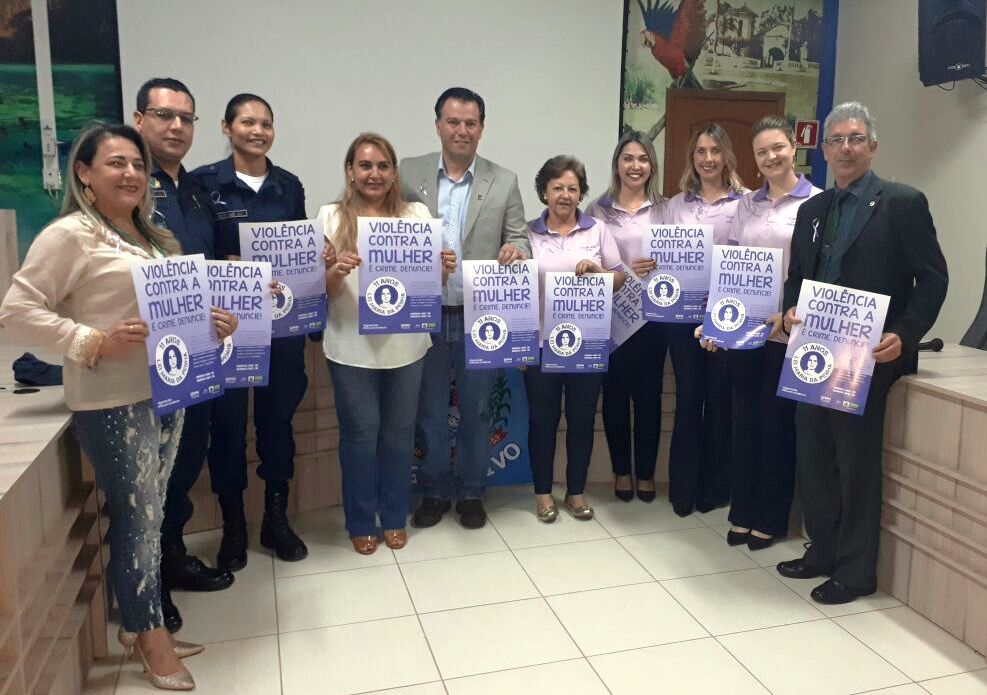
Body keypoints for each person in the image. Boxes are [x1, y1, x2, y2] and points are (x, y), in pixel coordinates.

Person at [0, 124, 238, 690]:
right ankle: (148, 637)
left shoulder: (155, 237)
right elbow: (16, 312)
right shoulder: (70, 236)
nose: (130, 173)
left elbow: (174, 314)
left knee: (153, 514)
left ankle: (142, 621)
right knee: (137, 517)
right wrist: (93, 340)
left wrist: (212, 322)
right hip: (113, 401)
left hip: (168, 388)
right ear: (84, 173)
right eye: (115, 163)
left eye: (137, 164)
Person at [777, 102, 947, 603]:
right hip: (813, 353)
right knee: (813, 455)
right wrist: (789, 310)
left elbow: (932, 280)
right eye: (835, 140)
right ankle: (822, 552)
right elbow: (797, 279)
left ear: (872, 147)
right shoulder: (812, 211)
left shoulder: (903, 203)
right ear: (824, 150)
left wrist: (907, 334)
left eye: (855, 139)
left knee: (854, 463)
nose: (845, 148)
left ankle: (855, 572)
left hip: (870, 357)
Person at [318, 132, 456, 555]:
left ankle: (394, 516)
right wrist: (337, 270)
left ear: (394, 172)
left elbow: (431, 284)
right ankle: (361, 521)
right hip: (349, 346)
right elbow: (319, 289)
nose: (374, 174)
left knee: (398, 435)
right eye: (365, 165)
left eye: (382, 166)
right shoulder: (328, 218)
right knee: (360, 436)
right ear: (350, 171)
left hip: (407, 346)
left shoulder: (416, 215)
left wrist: (443, 268)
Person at [400, 87, 531, 529]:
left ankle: (473, 490)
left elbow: (519, 237)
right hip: (425, 314)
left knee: (477, 409)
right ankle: (435, 490)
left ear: (481, 129)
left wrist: (515, 250)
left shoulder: (504, 180)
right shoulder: (407, 173)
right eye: (453, 122)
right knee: (430, 409)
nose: (462, 130)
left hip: (482, 316)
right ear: (438, 125)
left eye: (470, 123)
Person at [192, 93, 310, 568]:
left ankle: (275, 519)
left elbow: (300, 251)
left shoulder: (289, 186)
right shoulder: (203, 184)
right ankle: (234, 525)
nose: (258, 131)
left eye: (266, 123)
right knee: (226, 427)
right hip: (228, 327)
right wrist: (225, 264)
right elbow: (191, 252)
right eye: (247, 122)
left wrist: (315, 257)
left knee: (277, 422)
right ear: (227, 127)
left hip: (282, 326)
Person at [133, 77, 233, 635]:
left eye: (186, 118)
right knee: (149, 475)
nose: (176, 126)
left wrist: (240, 283)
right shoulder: (129, 185)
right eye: (164, 115)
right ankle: (146, 588)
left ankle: (171, 557)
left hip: (198, 351)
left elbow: (211, 263)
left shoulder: (195, 190)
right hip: (147, 356)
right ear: (139, 119)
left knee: (186, 460)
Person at [700, 115, 821, 551]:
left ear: (793, 148)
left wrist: (789, 312)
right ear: (753, 159)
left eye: (778, 148)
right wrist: (716, 322)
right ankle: (743, 512)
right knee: (744, 423)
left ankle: (770, 517)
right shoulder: (746, 206)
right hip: (745, 334)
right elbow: (730, 268)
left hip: (788, 335)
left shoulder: (816, 204)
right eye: (762, 152)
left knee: (776, 427)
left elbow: (817, 271)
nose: (771, 157)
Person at [527, 155, 624, 522]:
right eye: (557, 188)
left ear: (581, 193)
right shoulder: (528, 233)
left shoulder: (597, 230)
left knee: (582, 420)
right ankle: (542, 493)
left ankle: (576, 491)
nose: (565, 195)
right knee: (543, 420)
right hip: (541, 344)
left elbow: (619, 279)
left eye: (572, 188)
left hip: (587, 344)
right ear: (544, 192)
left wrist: (599, 273)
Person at [662, 123, 746, 515]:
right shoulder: (675, 205)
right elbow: (663, 257)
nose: (708, 159)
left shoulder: (746, 203)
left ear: (726, 155)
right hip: (681, 318)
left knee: (719, 400)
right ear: (692, 157)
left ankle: (715, 488)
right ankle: (683, 488)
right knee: (688, 397)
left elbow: (748, 258)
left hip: (727, 315)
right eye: (701, 151)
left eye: (715, 151)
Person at [587, 132, 668, 503]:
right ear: (617, 165)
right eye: (628, 158)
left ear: (652, 165)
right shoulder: (596, 210)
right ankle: (621, 470)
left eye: (643, 159)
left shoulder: (667, 209)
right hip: (611, 317)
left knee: (649, 397)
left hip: (654, 317)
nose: (636, 166)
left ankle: (646, 473)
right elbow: (588, 260)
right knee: (615, 396)